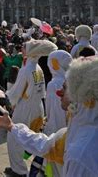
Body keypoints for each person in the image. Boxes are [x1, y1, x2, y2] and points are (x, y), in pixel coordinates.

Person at [0, 48, 98, 177]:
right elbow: (45, 144)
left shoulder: (80, 153)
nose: (59, 92)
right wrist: (12, 127)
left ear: (81, 95)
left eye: (65, 88)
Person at [5, 39, 58, 177]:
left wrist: (7, 98)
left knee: (14, 138)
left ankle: (19, 170)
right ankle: (27, 165)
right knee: (29, 137)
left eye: (24, 47)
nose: (22, 49)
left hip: (25, 107)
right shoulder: (38, 68)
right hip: (37, 106)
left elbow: (16, 92)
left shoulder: (26, 69)